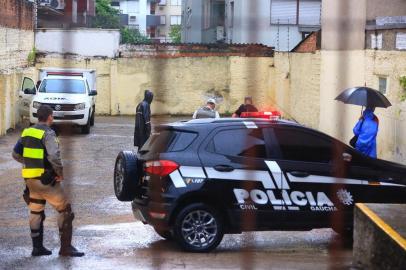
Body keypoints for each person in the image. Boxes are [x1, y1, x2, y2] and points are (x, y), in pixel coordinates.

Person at [12, 105, 84, 257]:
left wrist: (31, 164)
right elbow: (53, 156)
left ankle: (37, 248)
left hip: (30, 181)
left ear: (38, 117)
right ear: (50, 117)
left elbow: (15, 154)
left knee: (36, 211)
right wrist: (60, 173)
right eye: (52, 116)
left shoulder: (27, 132)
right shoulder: (48, 133)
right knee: (65, 209)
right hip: (46, 180)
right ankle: (65, 248)